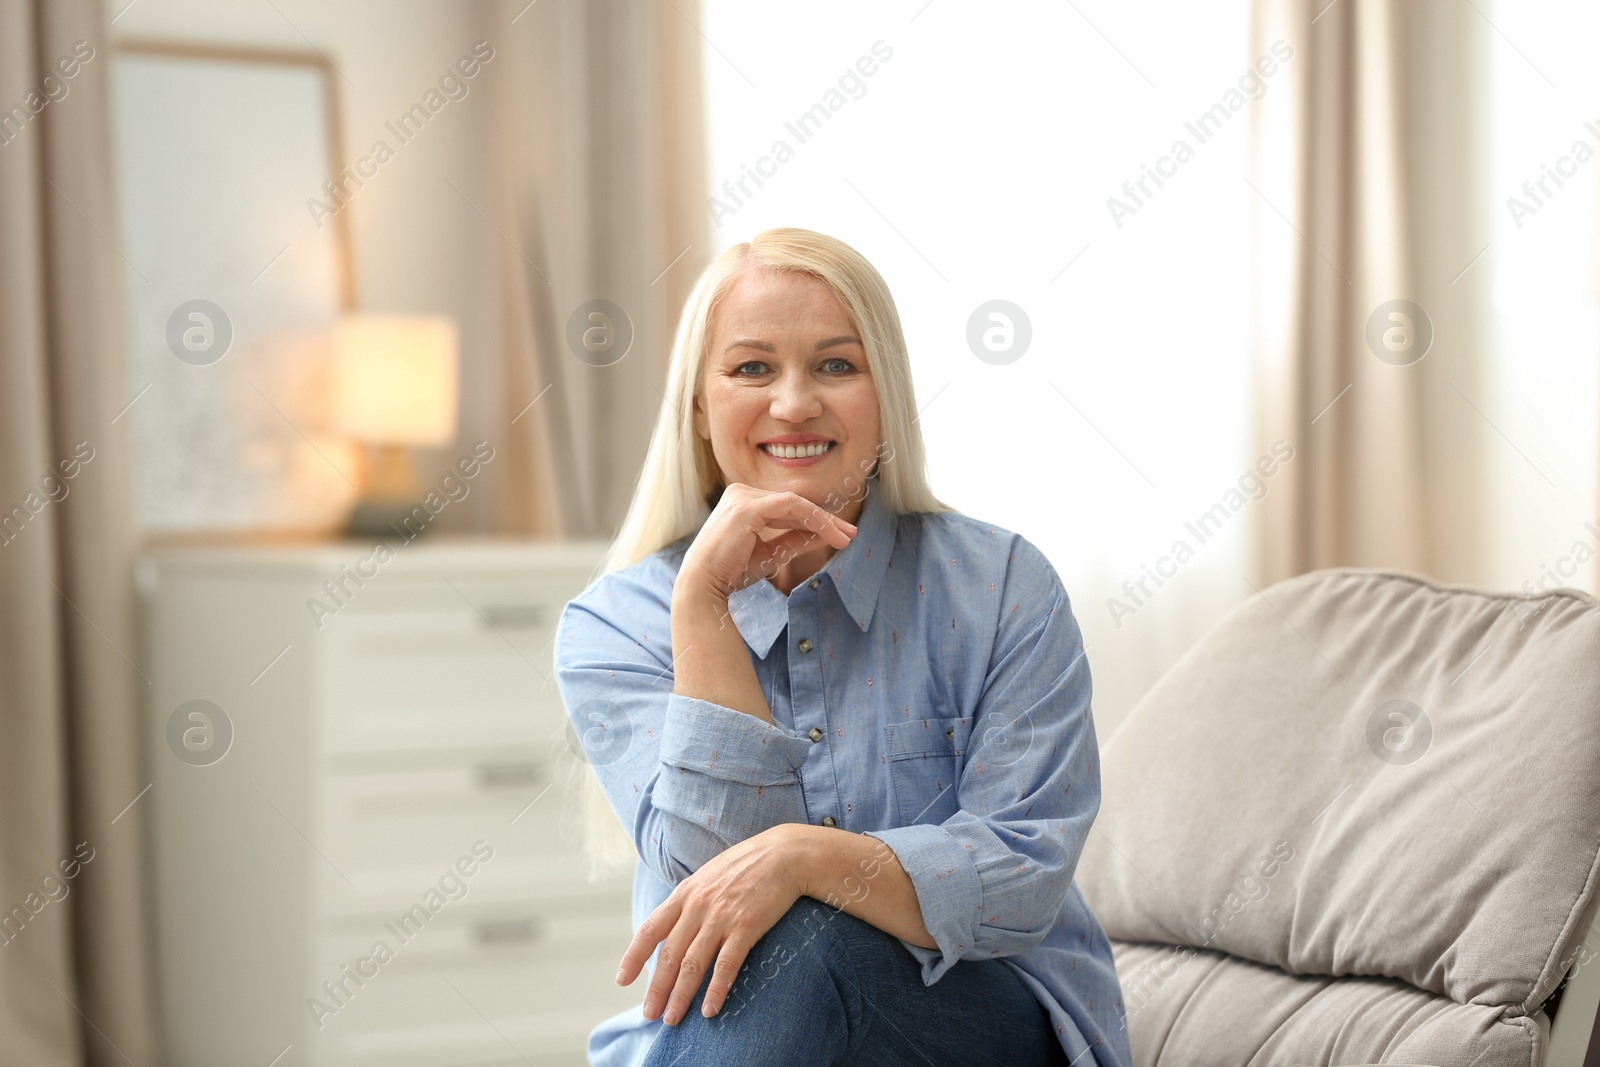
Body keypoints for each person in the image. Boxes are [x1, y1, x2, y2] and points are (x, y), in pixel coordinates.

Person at [553, 227, 1132, 1067]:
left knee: (803, 943)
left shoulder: (1004, 586)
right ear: (699, 407)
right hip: (740, 1032)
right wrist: (706, 612)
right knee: (777, 958)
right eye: (752, 368)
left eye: (835, 365)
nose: (794, 403)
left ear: (885, 397)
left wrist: (807, 858)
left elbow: (1023, 871)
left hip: (980, 1021)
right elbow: (718, 902)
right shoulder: (619, 624)